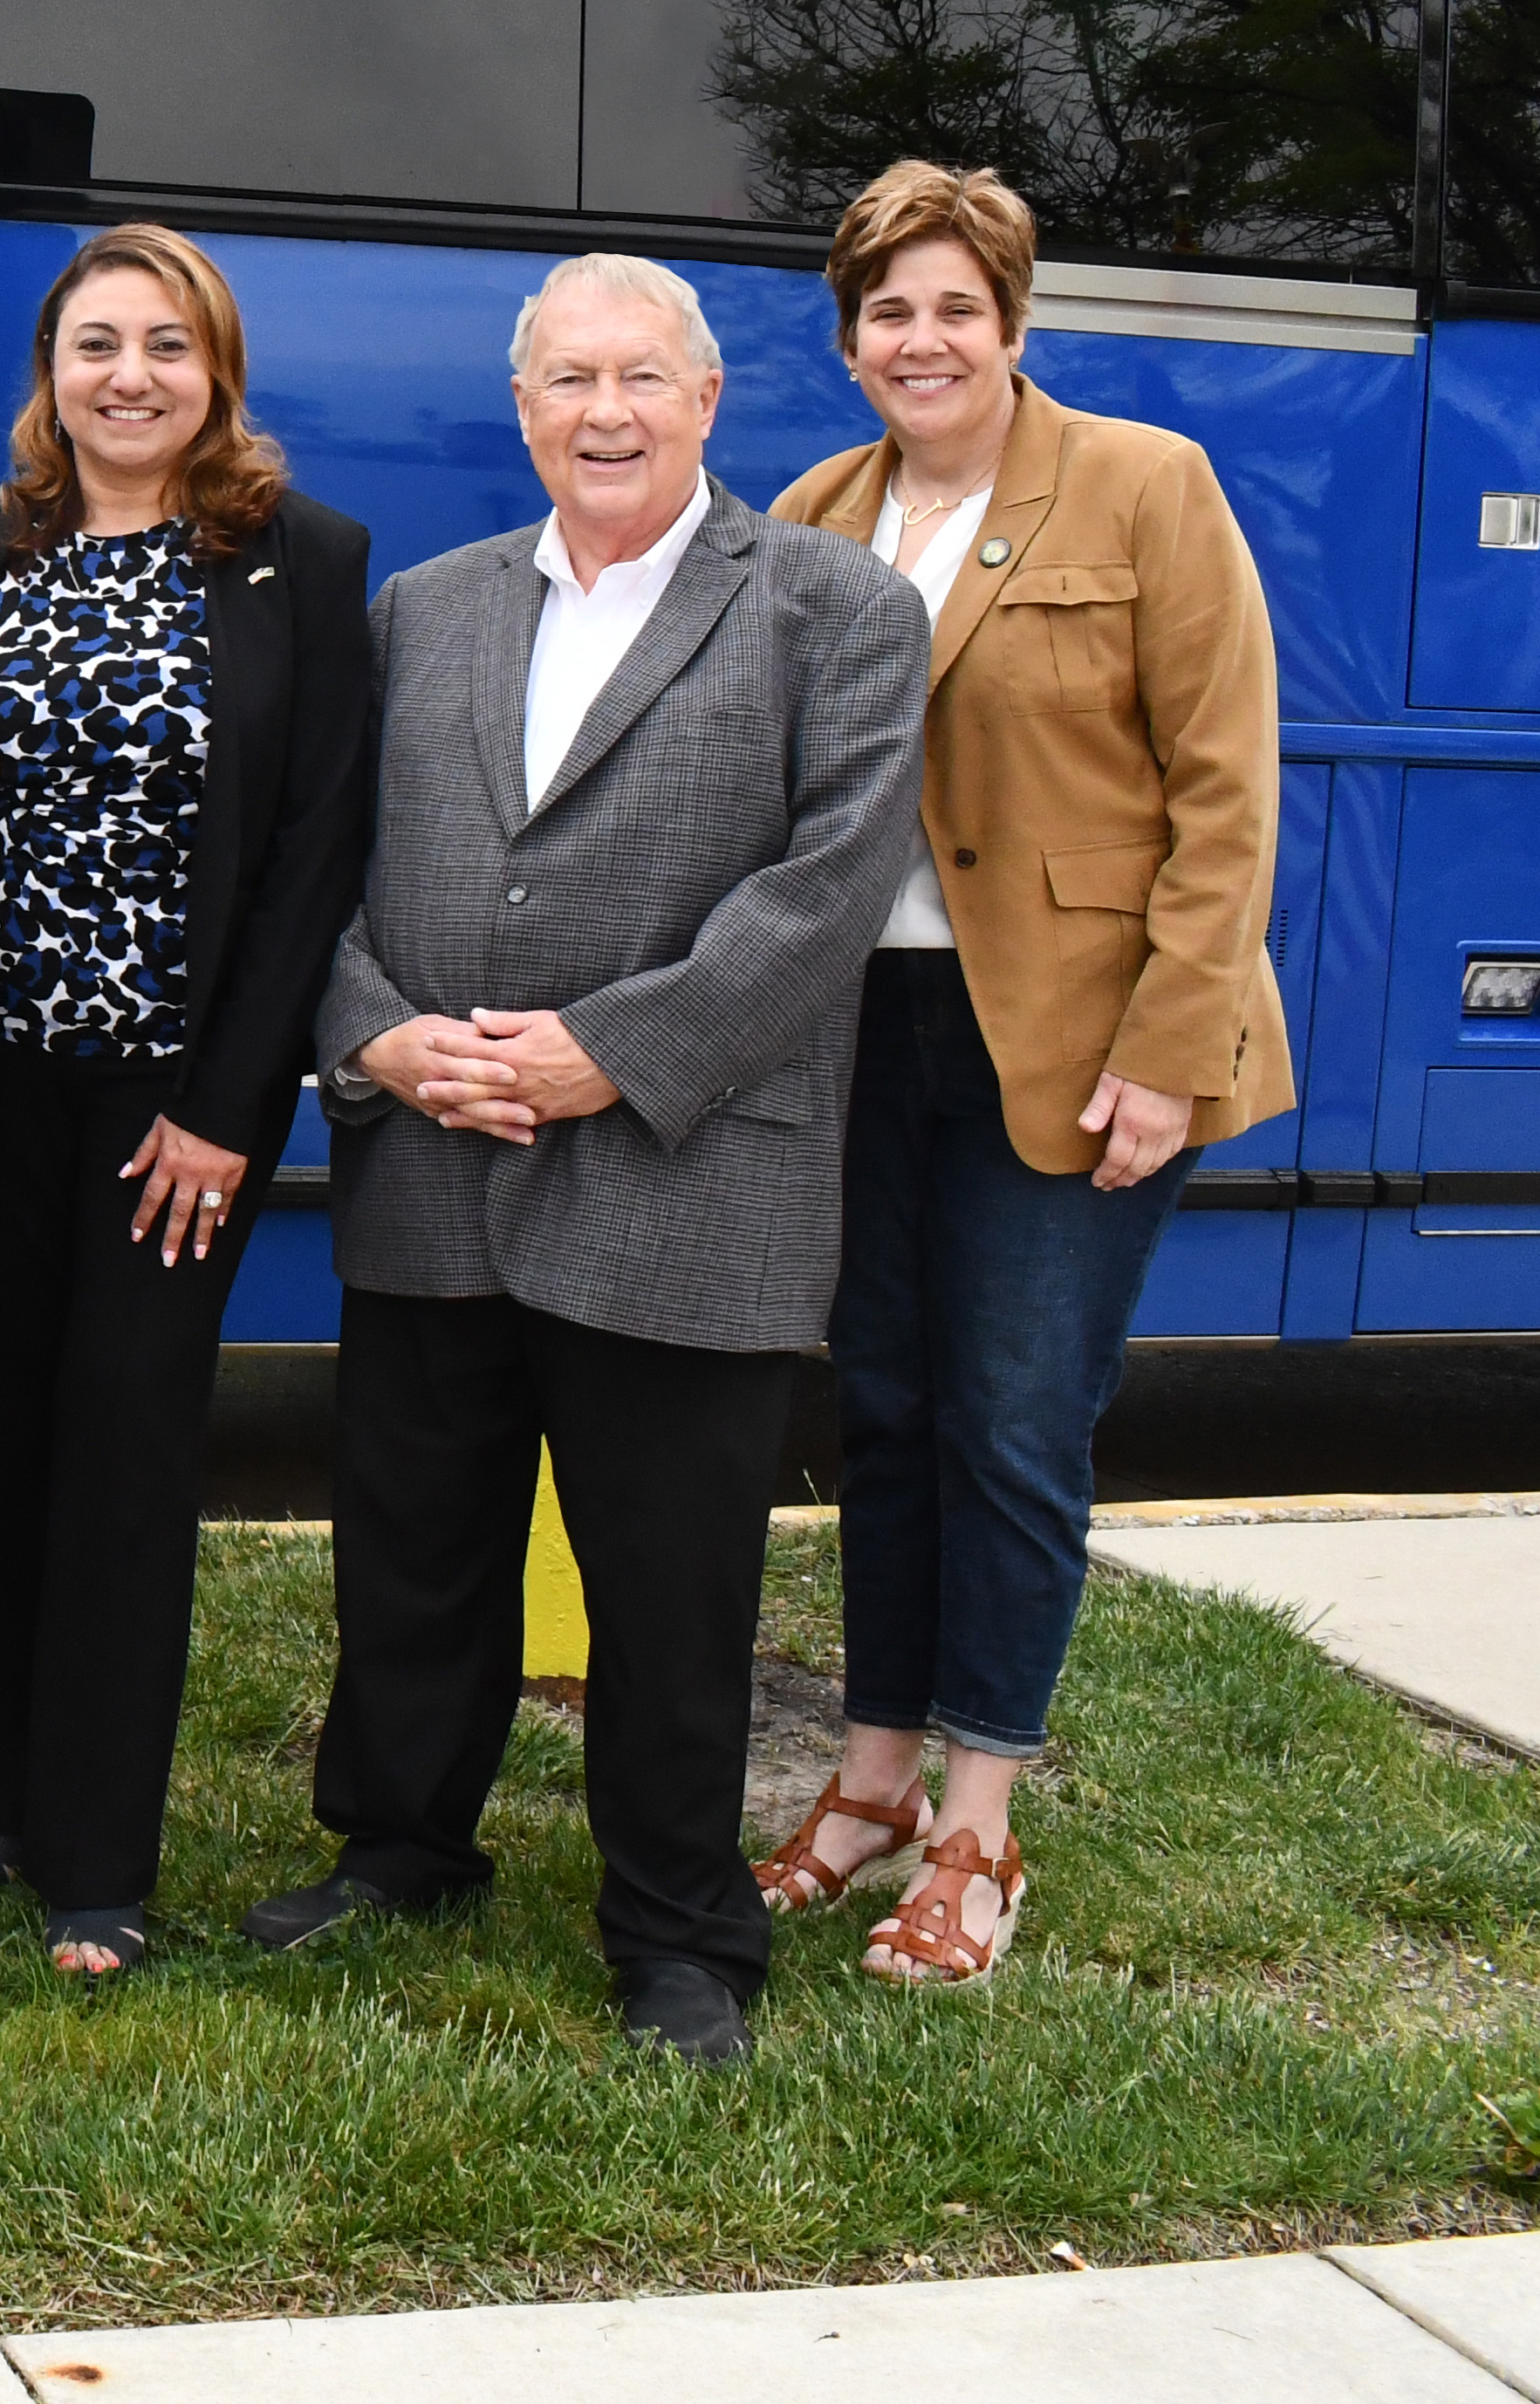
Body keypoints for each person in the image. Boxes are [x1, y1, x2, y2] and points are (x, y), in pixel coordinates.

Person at [252, 251, 927, 2068]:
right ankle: (401, 1843)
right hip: (434, 1160)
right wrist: (374, 1030)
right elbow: (315, 861)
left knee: (672, 1584)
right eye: (567, 379)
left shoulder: (833, 606)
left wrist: (602, 1056)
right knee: (412, 1550)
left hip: (684, 1173)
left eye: (641, 376)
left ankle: (679, 1930)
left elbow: (828, 892)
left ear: (710, 400)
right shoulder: (425, 607)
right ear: (523, 406)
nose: (605, 411)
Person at [749, 164, 1290, 1988]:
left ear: (1011, 322)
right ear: (848, 341)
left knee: (1011, 1418)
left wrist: (1169, 1050)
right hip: (866, 1038)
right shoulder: (813, 512)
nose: (923, 339)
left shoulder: (1144, 484)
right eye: (888, 311)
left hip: (1072, 1036)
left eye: (955, 307)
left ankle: (980, 1820)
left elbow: (1227, 789)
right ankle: (874, 1778)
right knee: (884, 1408)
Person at [0, 226, 372, 1976]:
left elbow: (316, 848)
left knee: (124, 1447)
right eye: (94, 341)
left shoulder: (294, 562)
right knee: (6, 1433)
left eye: (164, 345)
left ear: (216, 372)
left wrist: (228, 1104)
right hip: (0, 1085)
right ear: (49, 373)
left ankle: (101, 1859)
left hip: (172, 1103)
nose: (127, 374)